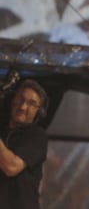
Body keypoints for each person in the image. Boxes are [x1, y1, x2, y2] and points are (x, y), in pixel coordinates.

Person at [0, 79, 49, 209]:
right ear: (12, 101)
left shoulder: (36, 136)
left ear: (39, 112)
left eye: (31, 103)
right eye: (20, 99)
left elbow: (11, 167)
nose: (22, 107)